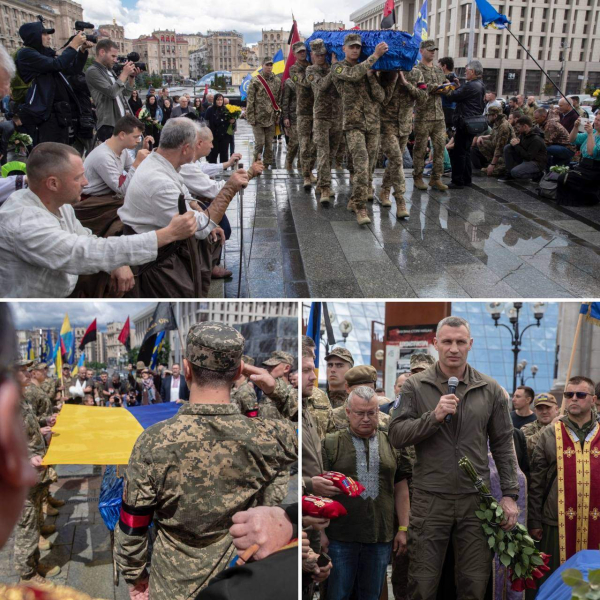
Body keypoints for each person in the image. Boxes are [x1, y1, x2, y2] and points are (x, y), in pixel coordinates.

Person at [113, 322, 298, 600]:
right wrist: (276, 389)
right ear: (238, 372)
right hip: (239, 581)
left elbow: (133, 524)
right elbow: (310, 431)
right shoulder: (267, 435)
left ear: (187, 369)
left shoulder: (152, 443)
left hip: (173, 585)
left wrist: (136, 577)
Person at [388, 316, 519, 599]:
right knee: (422, 584)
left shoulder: (490, 389)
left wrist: (509, 494)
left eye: (460, 342)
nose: (454, 348)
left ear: (470, 344)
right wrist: (433, 417)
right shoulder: (414, 386)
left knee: (474, 584)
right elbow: (396, 435)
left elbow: (503, 445)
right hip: (430, 499)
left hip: (476, 501)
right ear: (435, 344)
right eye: (447, 341)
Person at [0, 141, 198, 298]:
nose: (86, 183)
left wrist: (116, 263)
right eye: (78, 178)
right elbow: (81, 252)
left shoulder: (61, 205)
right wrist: (166, 234)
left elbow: (87, 238)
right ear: (53, 183)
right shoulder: (24, 223)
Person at [119, 118, 241, 297]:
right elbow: (200, 228)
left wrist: (202, 213)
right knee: (185, 297)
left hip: (160, 244)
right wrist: (230, 188)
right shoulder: (160, 182)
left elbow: (186, 196)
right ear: (185, 149)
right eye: (194, 145)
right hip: (156, 261)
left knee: (216, 229)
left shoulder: (160, 162)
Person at [322, 385, 412, 600]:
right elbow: (321, 492)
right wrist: (321, 533)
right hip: (339, 538)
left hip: (380, 537)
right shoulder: (331, 443)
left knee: (372, 595)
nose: (365, 418)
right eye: (360, 413)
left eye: (371, 413)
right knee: (338, 594)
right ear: (348, 413)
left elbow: (401, 488)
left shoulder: (392, 443)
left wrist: (404, 528)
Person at [529, 376, 599, 585]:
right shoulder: (550, 433)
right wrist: (534, 521)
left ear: (593, 399)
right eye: (569, 395)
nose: (573, 399)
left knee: (591, 584)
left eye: (580, 394)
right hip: (556, 523)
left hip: (595, 521)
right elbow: (536, 481)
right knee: (555, 582)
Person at [332, 33, 388, 225]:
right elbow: (354, 75)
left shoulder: (368, 69)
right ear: (344, 49)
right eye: (351, 47)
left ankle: (355, 199)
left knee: (370, 167)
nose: (355, 50)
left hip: (372, 124)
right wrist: (374, 57)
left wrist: (372, 77)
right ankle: (361, 207)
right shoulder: (338, 67)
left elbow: (381, 97)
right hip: (353, 125)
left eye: (358, 47)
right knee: (362, 164)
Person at [15, 20, 91, 146]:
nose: (49, 37)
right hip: (43, 115)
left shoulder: (46, 53)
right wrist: (73, 45)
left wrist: (82, 50)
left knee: (62, 152)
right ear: (34, 36)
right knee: (50, 155)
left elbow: (73, 70)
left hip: (59, 114)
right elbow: (57, 64)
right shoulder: (26, 54)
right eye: (44, 34)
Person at [379, 67, 426, 218]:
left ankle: (385, 189)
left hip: (404, 126)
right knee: (397, 159)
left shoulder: (416, 73)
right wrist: (393, 78)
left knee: (394, 161)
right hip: (386, 125)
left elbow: (423, 97)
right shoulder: (384, 71)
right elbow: (382, 99)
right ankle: (400, 200)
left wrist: (406, 83)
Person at [81, 114, 152, 202]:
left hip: (105, 198)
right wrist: (137, 162)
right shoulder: (104, 156)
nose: (138, 141)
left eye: (139, 137)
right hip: (92, 203)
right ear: (122, 135)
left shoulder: (122, 150)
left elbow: (137, 175)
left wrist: (144, 150)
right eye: (136, 137)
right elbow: (122, 189)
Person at [306, 39, 342, 204]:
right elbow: (322, 85)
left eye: (323, 54)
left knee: (331, 155)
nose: (321, 57)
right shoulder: (310, 70)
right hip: (321, 117)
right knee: (323, 153)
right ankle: (326, 189)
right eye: (318, 54)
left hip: (337, 116)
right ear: (313, 54)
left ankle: (321, 182)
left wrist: (335, 67)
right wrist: (334, 69)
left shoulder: (333, 67)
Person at [412, 40, 449, 193]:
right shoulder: (416, 70)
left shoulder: (439, 70)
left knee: (440, 148)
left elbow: (446, 86)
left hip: (439, 115)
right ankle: (418, 176)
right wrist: (436, 88)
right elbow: (419, 88)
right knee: (420, 148)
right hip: (423, 115)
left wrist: (448, 87)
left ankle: (436, 177)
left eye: (434, 50)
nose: (433, 52)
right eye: (429, 50)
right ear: (421, 51)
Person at [85, 39, 138, 142]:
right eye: (113, 56)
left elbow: (125, 93)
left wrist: (131, 77)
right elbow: (112, 93)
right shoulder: (93, 71)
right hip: (108, 124)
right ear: (102, 52)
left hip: (119, 122)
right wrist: (124, 74)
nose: (115, 60)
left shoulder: (109, 71)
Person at [444, 60, 485, 190]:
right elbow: (462, 94)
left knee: (459, 152)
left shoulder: (471, 86)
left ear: (472, 72)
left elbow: (453, 96)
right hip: (472, 122)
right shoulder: (479, 85)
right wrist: (458, 86)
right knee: (466, 152)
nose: (465, 73)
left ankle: (457, 180)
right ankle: (466, 179)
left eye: (466, 71)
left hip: (464, 122)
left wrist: (446, 86)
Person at [289, 42, 317, 190]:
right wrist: (313, 70)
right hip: (303, 112)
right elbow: (305, 82)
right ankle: (306, 175)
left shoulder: (311, 64)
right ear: (294, 53)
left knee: (315, 145)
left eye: (304, 51)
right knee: (305, 145)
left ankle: (310, 170)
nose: (302, 54)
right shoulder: (293, 69)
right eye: (299, 52)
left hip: (317, 110)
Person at [246, 57, 281, 169]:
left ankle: (266, 165)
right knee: (259, 144)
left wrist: (278, 115)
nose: (269, 67)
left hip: (271, 118)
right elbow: (250, 100)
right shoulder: (255, 81)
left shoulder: (277, 81)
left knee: (269, 145)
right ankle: (256, 164)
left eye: (271, 65)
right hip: (258, 118)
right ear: (262, 65)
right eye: (267, 65)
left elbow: (278, 99)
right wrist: (250, 117)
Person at [470, 105, 514, 177]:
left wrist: (492, 164)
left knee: (492, 172)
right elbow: (492, 135)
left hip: (505, 155)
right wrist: (481, 137)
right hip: (497, 150)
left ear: (495, 115)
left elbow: (499, 148)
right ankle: (492, 163)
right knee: (481, 143)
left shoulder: (504, 126)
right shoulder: (497, 123)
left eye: (489, 115)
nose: (488, 117)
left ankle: (496, 165)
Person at [500, 116, 547, 182]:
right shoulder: (524, 134)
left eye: (519, 127)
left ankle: (538, 175)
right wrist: (513, 142)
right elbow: (519, 145)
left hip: (536, 162)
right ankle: (509, 173)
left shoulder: (536, 139)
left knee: (515, 172)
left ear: (525, 126)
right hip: (525, 157)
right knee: (508, 148)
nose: (517, 129)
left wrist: (516, 145)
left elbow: (529, 157)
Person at [521, 393, 559, 462]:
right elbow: (527, 447)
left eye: (548, 408)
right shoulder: (527, 428)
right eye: (540, 409)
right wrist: (550, 427)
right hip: (536, 471)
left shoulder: (563, 427)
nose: (544, 412)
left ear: (556, 409)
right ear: (535, 411)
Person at [205, 94, 231, 164]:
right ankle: (212, 171)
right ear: (215, 100)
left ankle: (224, 171)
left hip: (224, 136)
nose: (219, 102)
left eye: (221, 100)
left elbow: (231, 125)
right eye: (218, 100)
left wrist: (232, 122)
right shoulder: (210, 110)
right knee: (213, 155)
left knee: (224, 155)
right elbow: (206, 123)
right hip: (213, 136)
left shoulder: (226, 110)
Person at [281, 74, 299, 171]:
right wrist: (285, 117)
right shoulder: (289, 82)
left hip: (307, 115)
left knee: (306, 144)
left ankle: (302, 166)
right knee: (294, 142)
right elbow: (285, 100)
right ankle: (289, 162)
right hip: (293, 116)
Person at [438, 56, 458, 128]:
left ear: (444, 66)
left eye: (439, 66)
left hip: (446, 109)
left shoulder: (447, 78)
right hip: (452, 108)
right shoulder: (455, 77)